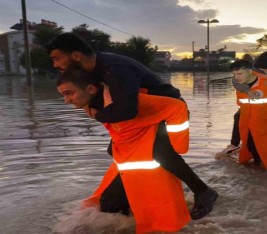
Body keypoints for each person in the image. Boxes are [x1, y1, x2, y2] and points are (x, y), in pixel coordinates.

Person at [47, 32, 217, 220]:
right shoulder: (94, 68)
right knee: (116, 150)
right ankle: (136, 197)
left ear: (76, 56)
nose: (55, 65)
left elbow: (127, 110)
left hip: (163, 111)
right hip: (140, 116)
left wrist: (99, 115)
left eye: (57, 59)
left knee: (159, 152)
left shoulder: (115, 69)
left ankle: (203, 191)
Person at [56, 69, 193, 233]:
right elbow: (122, 128)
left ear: (91, 89)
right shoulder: (96, 104)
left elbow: (177, 108)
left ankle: (200, 193)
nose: (66, 100)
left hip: (148, 161)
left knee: (112, 208)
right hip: (130, 162)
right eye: (63, 95)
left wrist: (177, 145)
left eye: (69, 93)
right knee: (110, 207)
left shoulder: (125, 101)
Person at [216, 51, 267, 169]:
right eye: (262, 69)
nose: (265, 72)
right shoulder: (252, 67)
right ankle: (234, 145)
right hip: (256, 99)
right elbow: (236, 79)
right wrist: (247, 90)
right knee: (238, 116)